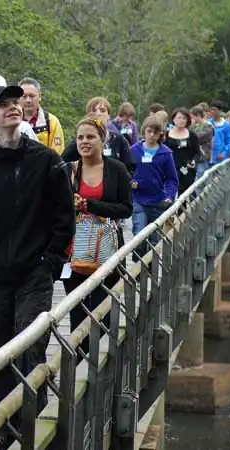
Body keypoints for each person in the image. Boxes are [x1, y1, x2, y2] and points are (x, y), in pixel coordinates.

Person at [0, 86, 75, 449]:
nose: (14, 108)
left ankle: (31, 428)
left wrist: (51, 262)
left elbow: (63, 216)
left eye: (16, 103)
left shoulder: (46, 160)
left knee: (30, 348)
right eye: (3, 105)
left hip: (34, 273)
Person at [63, 117, 132, 359]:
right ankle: (78, 367)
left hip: (107, 251)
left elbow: (126, 208)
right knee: (77, 313)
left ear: (103, 139)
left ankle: (104, 366)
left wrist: (91, 204)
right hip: (74, 252)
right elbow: (54, 209)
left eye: (90, 136)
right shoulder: (68, 170)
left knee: (105, 312)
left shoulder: (117, 169)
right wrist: (71, 205)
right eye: (80, 137)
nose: (84, 142)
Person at [130, 116, 178, 258]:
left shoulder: (166, 153)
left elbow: (172, 179)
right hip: (138, 199)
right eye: (149, 131)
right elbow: (126, 172)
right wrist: (130, 182)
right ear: (144, 131)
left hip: (158, 201)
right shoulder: (134, 150)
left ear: (160, 135)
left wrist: (169, 196)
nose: (151, 135)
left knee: (154, 238)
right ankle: (138, 261)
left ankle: (149, 268)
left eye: (155, 133)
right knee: (139, 232)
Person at [62, 97, 135, 174]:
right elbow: (63, 166)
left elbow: (130, 167)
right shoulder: (79, 142)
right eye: (94, 111)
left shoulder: (118, 139)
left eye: (102, 110)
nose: (98, 113)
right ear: (88, 115)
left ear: (108, 116)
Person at [17, 77, 65, 154]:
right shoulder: (11, 120)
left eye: (32, 96)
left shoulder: (51, 121)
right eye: (24, 96)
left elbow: (57, 152)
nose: (28, 100)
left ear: (40, 96)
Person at [164, 108, 200, 194]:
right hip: (171, 168)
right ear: (173, 119)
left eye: (184, 118)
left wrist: (194, 161)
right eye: (179, 118)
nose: (181, 120)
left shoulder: (192, 135)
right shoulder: (166, 135)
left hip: (187, 169)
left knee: (187, 192)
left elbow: (197, 152)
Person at [207, 100, 230, 165]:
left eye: (214, 110)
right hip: (208, 159)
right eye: (211, 109)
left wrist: (224, 153)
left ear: (220, 111)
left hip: (221, 160)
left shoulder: (226, 125)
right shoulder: (207, 123)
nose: (212, 111)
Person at [189, 106, 213, 181]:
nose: (191, 119)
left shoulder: (208, 126)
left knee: (201, 178)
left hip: (202, 156)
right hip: (194, 157)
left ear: (198, 115)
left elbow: (197, 137)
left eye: (192, 117)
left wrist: (191, 136)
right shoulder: (193, 126)